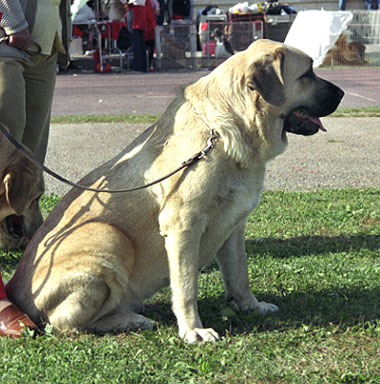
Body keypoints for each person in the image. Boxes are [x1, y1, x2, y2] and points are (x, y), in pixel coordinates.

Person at [0, 0, 71, 338]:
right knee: (5, 146)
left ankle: (18, 233)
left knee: (31, 157)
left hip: (47, 41)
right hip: (7, 37)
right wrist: (14, 22)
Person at [124, 0, 148, 72]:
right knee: (140, 41)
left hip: (134, 9)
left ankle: (138, 65)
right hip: (141, 9)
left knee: (135, 41)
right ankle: (143, 65)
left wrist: (125, 2)